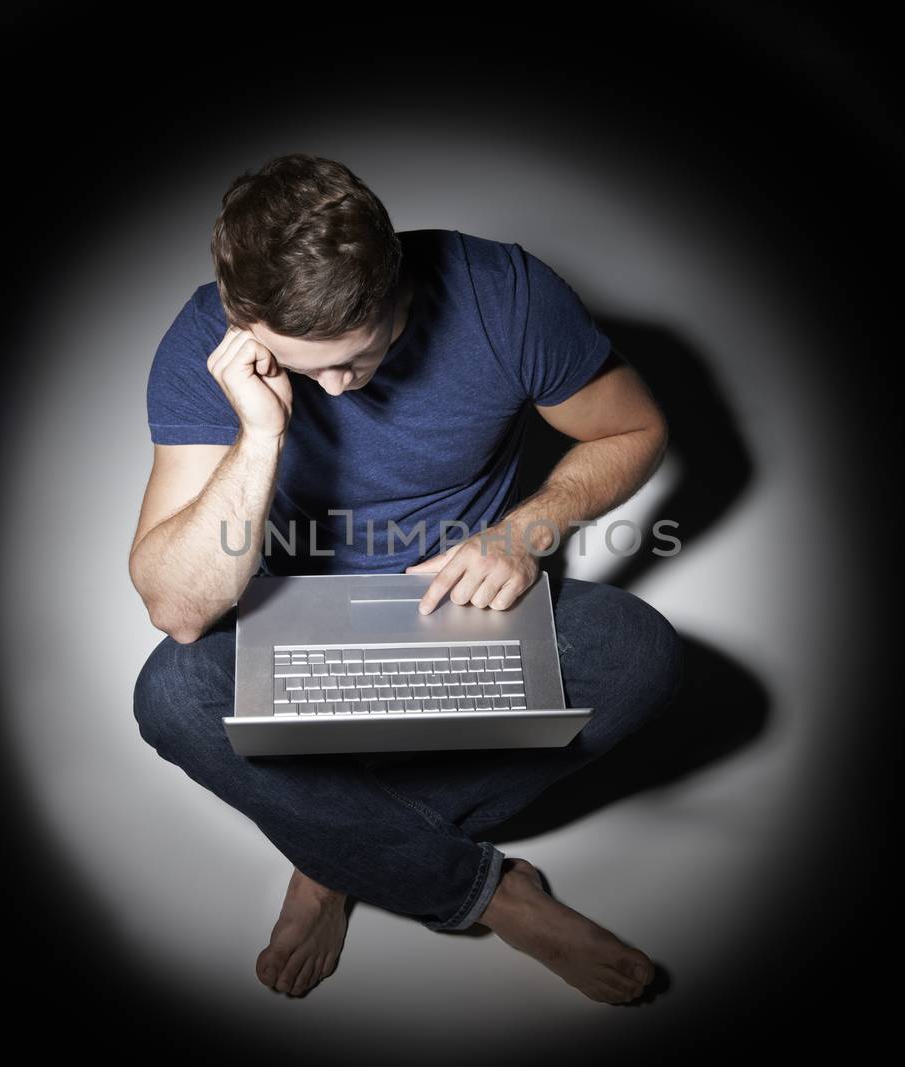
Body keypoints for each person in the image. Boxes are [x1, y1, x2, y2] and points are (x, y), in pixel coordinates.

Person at [129, 153, 684, 1005]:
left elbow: (634, 426)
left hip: (464, 607)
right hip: (295, 625)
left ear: (399, 287)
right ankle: (486, 893)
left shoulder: (502, 293)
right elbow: (179, 606)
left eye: (359, 357)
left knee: (641, 649)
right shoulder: (203, 341)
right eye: (304, 368)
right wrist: (262, 434)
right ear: (242, 320)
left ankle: (335, 855)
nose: (338, 391)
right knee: (170, 694)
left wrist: (522, 534)